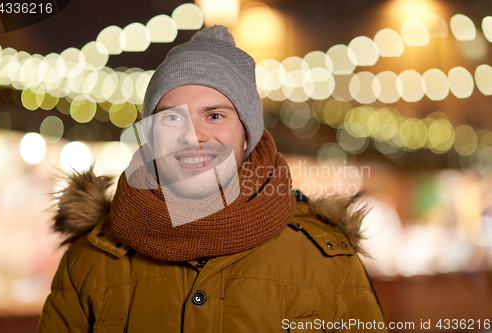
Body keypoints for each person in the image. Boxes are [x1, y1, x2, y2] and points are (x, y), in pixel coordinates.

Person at [37, 25, 387, 333]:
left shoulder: (327, 260)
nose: (193, 136)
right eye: (172, 119)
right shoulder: (90, 259)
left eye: (215, 116)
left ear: (247, 136)